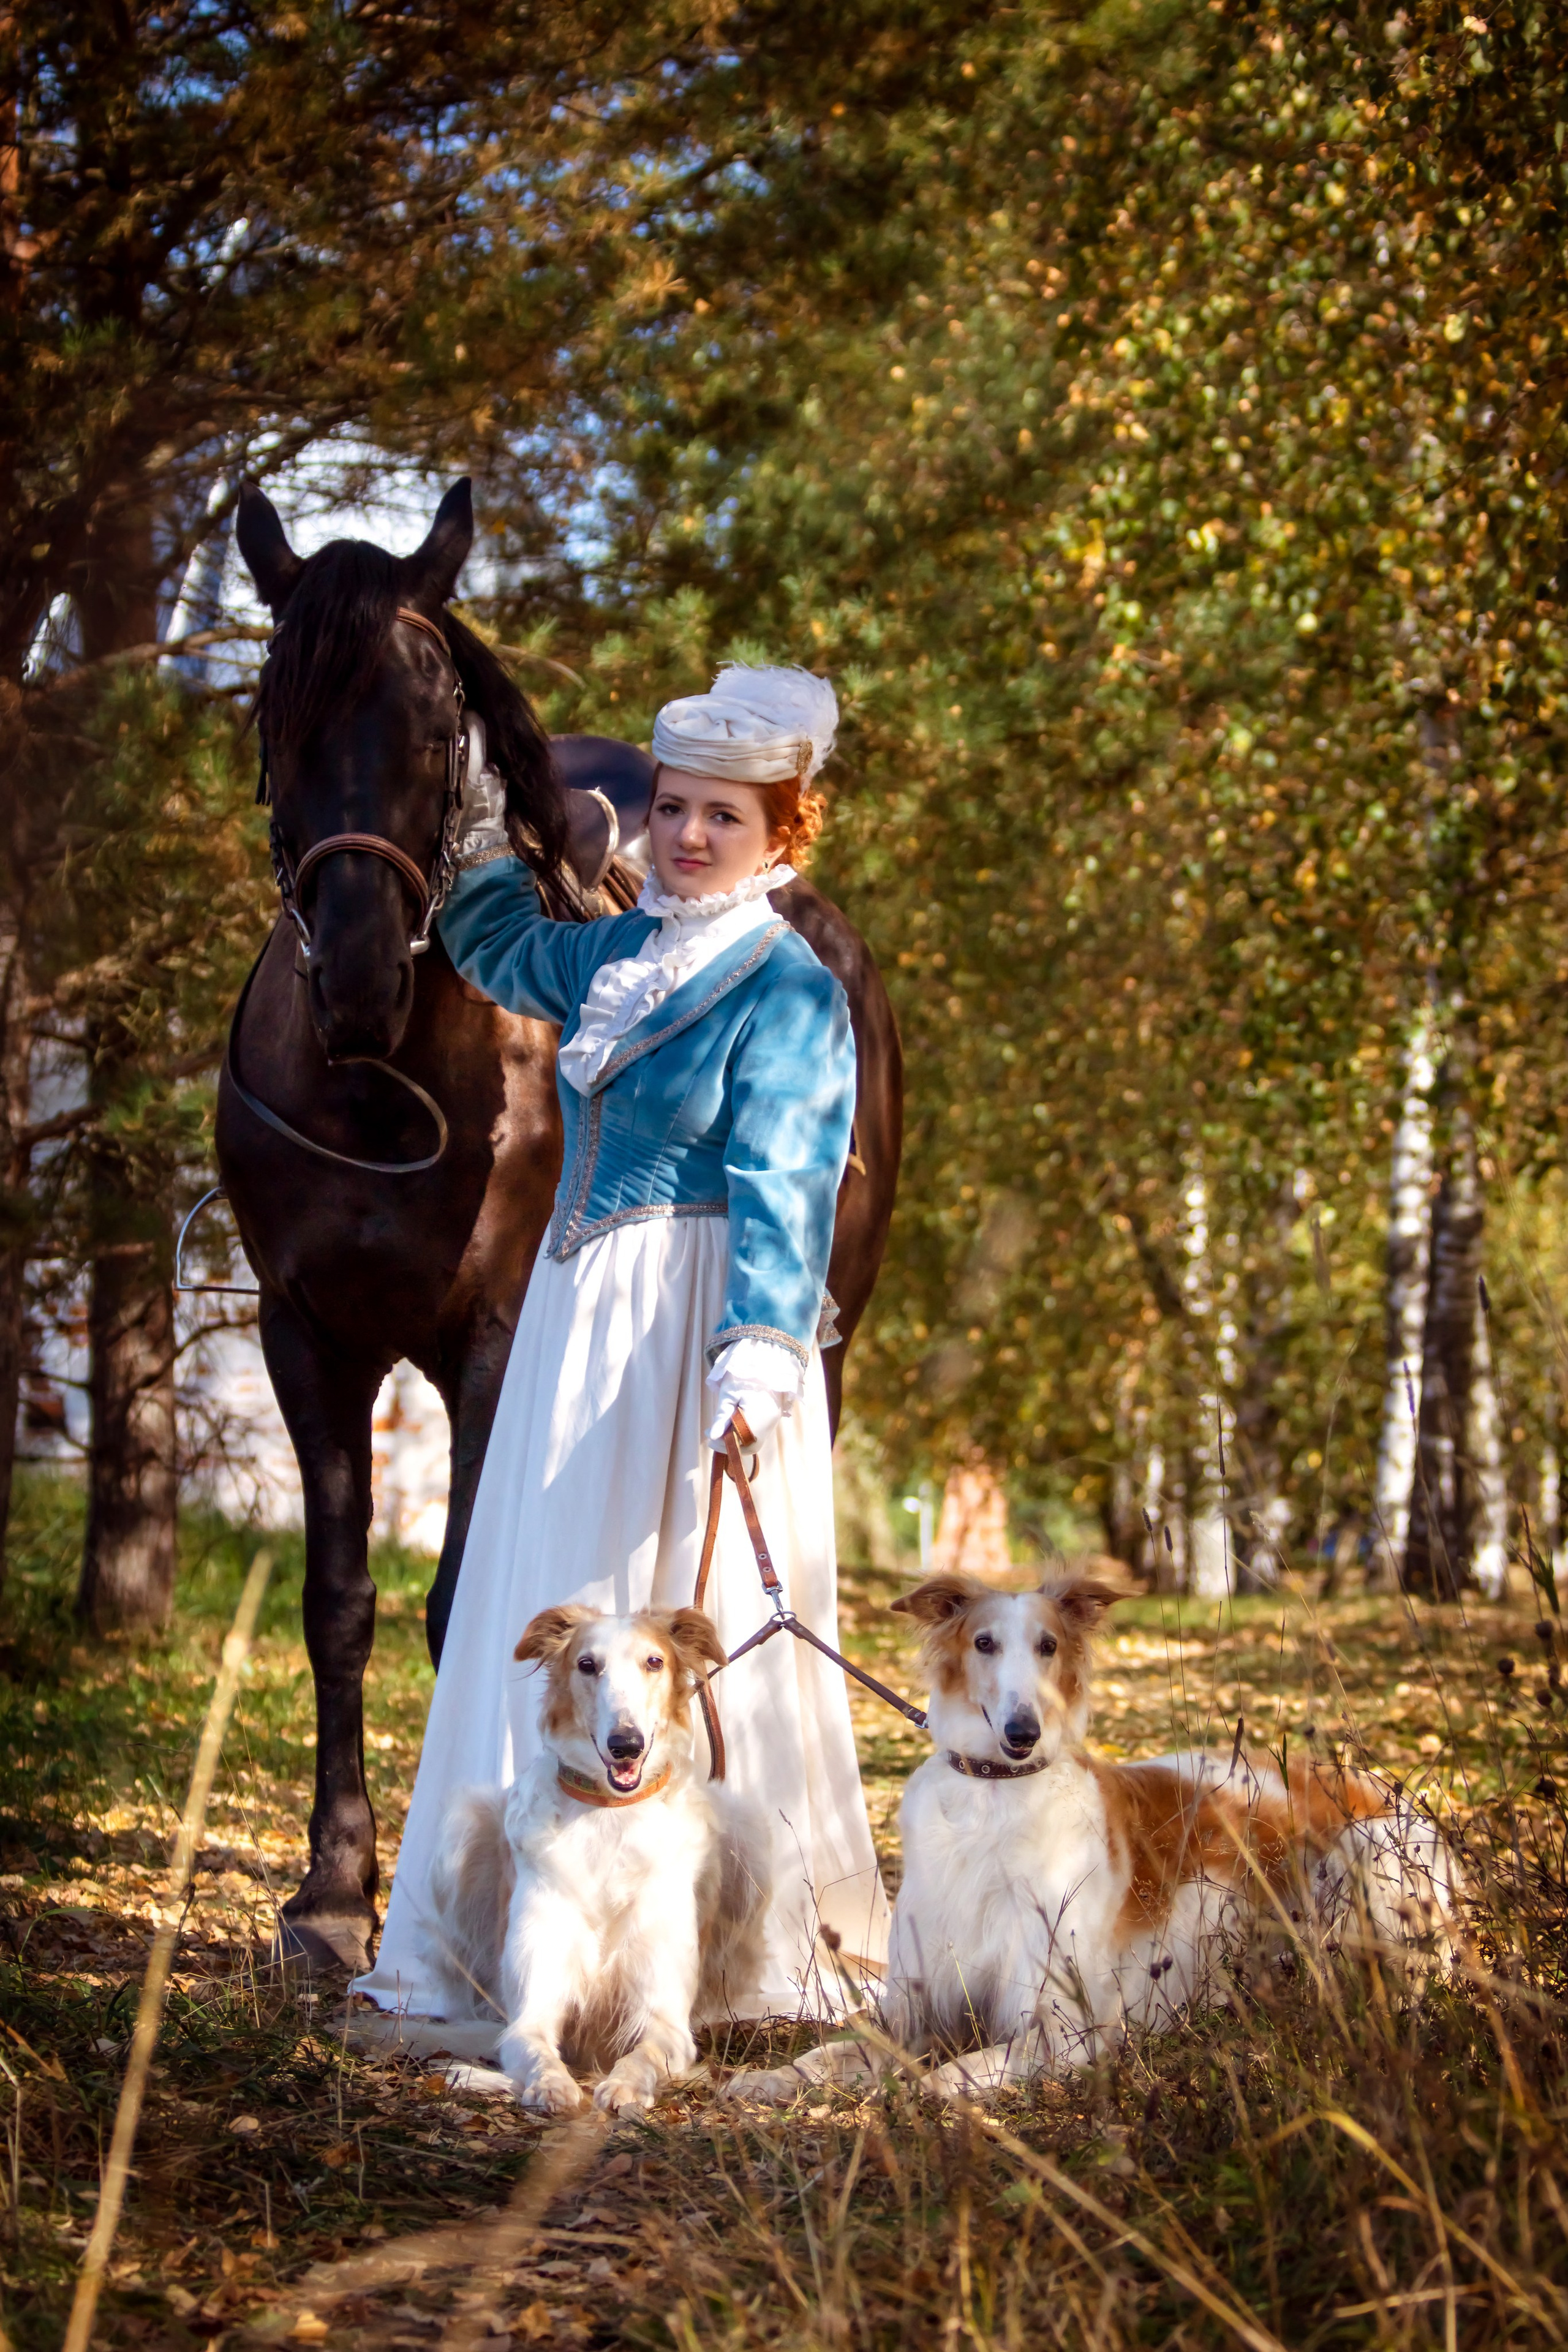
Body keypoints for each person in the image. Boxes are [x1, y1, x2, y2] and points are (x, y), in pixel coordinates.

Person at [353, 666, 890, 2025]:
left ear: (784, 832)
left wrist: (761, 1350)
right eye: (672, 808)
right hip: (578, 1321)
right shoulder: (618, 950)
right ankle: (510, 1936)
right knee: (551, 1596)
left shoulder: (785, 988)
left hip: (702, 1329)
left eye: (723, 815)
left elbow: (785, 1177)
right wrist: (474, 823)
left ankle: (726, 1962)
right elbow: (500, 951)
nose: (689, 836)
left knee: (677, 1614)